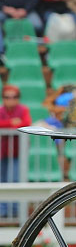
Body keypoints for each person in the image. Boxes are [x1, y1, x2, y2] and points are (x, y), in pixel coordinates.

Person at [0, 85, 30, 218]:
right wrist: (12, 123)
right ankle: (3, 212)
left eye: (14, 97)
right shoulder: (1, 110)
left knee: (17, 180)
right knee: (2, 181)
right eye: (7, 97)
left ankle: (16, 212)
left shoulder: (23, 110)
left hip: (18, 153)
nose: (10, 100)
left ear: (18, 98)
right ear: (3, 98)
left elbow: (26, 123)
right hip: (2, 153)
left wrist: (7, 123)